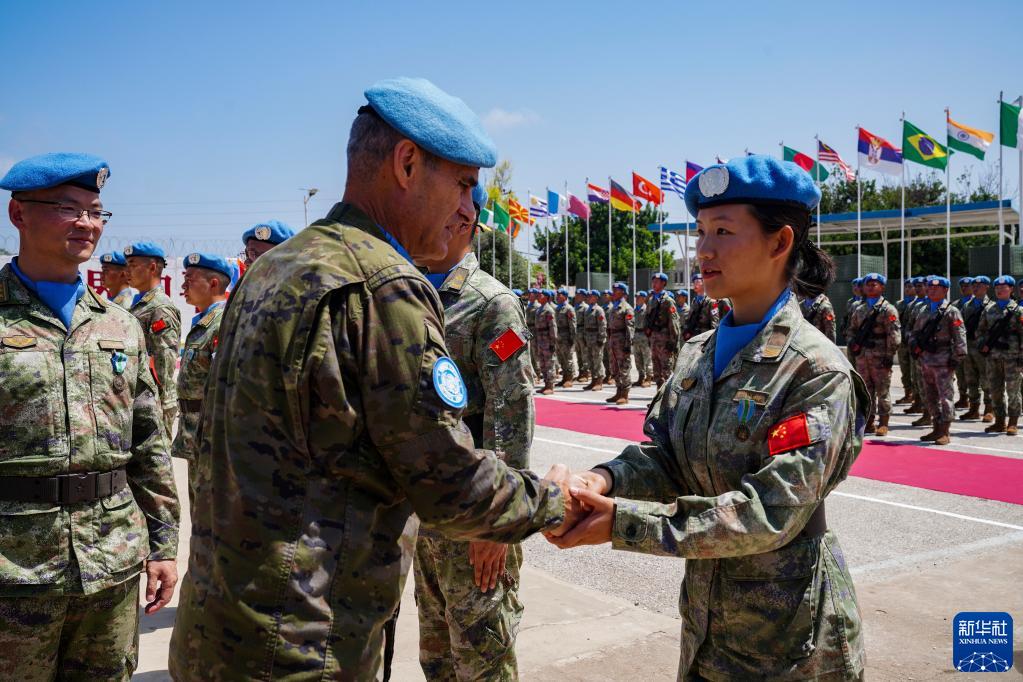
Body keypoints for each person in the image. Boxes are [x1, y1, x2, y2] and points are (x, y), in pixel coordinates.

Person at [168, 78, 580, 680]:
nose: (470, 210)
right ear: (407, 164)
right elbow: (446, 482)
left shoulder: (275, 266)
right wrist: (554, 500)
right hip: (303, 643)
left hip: (219, 627)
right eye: (463, 184)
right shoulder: (383, 284)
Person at [547, 156, 869, 679]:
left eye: (722, 231)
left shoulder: (815, 369)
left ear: (780, 242)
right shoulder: (699, 352)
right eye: (700, 232)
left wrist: (623, 523)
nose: (703, 250)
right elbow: (667, 460)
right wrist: (600, 480)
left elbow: (770, 512)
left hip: (790, 641)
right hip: (706, 625)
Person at [0, 153, 180, 680]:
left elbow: (148, 441)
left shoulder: (120, 325)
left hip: (111, 562)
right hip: (13, 570)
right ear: (18, 214)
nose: (86, 223)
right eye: (67, 208)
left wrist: (164, 544)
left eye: (96, 212)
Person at [414, 184, 534, 679]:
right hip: (425, 512)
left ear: (464, 220)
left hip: (474, 516)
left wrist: (499, 521)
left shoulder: (491, 304)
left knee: (482, 662)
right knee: (437, 657)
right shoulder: (411, 293)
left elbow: (511, 414)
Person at [172, 253, 230, 502]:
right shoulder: (204, 322)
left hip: (210, 435)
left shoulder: (222, 323)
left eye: (190, 279)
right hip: (195, 432)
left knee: (210, 507)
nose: (183, 285)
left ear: (213, 283)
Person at [124, 241, 181, 435]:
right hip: (141, 396)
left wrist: (160, 402)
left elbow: (164, 359)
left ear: (153, 267)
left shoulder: (160, 307)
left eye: (133, 265)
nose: (127, 270)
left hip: (154, 401)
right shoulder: (140, 305)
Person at [910, 276, 967, 444]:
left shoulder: (951, 311)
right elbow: (915, 332)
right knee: (930, 396)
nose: (932, 290)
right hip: (926, 360)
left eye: (937, 288)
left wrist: (957, 357)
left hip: (944, 361)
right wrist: (914, 345)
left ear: (945, 290)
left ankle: (945, 431)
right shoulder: (923, 310)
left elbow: (960, 336)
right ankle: (936, 428)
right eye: (930, 287)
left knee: (945, 397)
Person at [846, 272, 900, 436]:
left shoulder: (888, 309)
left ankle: (883, 422)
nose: (870, 287)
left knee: (882, 391)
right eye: (867, 284)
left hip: (880, 356)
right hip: (862, 356)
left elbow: (894, 335)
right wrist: (852, 343)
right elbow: (851, 330)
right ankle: (868, 422)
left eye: (874, 284)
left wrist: (889, 356)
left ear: (882, 287)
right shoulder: (859, 309)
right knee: (865, 391)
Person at [977, 275, 1022, 435]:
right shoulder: (989, 309)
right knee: (995, 390)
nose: (999, 290)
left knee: (1013, 391)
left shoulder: (1018, 310)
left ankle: (1013, 422)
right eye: (997, 288)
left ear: (1011, 289)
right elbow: (980, 331)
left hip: (1012, 357)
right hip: (993, 357)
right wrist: (983, 344)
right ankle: (1000, 422)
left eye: (1003, 288)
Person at [960, 275, 992, 422]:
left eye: (979, 285)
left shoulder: (992, 306)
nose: (975, 287)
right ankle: (973, 408)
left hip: (983, 348)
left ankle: (989, 408)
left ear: (987, 287)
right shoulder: (967, 305)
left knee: (986, 379)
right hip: (969, 346)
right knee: (970, 379)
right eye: (974, 285)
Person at [645, 273, 680, 388]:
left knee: (666, 368)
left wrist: (673, 342)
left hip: (665, 338)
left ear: (663, 283)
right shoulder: (651, 300)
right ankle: (659, 394)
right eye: (653, 281)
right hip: (654, 338)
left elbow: (673, 322)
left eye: (657, 282)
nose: (654, 284)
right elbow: (647, 318)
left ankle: (668, 396)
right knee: (656, 369)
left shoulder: (668, 301)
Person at [903, 277, 930, 417]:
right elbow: (908, 325)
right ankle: (919, 403)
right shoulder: (916, 306)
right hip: (917, 348)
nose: (918, 289)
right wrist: (911, 339)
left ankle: (929, 411)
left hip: (933, 350)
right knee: (916, 377)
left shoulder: (940, 306)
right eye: (917, 286)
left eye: (921, 286)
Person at [606, 281, 635, 405]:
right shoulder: (614, 306)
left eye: (616, 290)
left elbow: (630, 328)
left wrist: (628, 345)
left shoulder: (627, 308)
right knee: (615, 367)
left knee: (624, 367)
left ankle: (625, 394)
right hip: (613, 340)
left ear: (623, 292)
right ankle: (618, 391)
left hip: (622, 340)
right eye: (613, 289)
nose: (613, 292)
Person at [951, 277, 974, 408]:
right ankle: (963, 397)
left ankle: (974, 400)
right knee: (960, 372)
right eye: (962, 286)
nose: (964, 288)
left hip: (972, 344)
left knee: (973, 373)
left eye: (967, 286)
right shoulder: (955, 304)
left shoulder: (978, 303)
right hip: (958, 344)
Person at [894, 278, 917, 405]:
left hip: (914, 341)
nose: (908, 289)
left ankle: (916, 395)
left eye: (910, 286)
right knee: (905, 369)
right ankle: (908, 393)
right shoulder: (899, 304)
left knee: (915, 370)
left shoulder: (920, 303)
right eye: (906, 287)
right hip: (902, 341)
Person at [680, 271, 718, 341]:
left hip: (705, 337)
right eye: (694, 282)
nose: (695, 284)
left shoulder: (711, 301)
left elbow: (714, 322)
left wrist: (712, 340)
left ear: (704, 283)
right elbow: (690, 319)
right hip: (694, 336)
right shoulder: (694, 301)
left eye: (697, 282)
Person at [534, 289, 559, 394]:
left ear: (547, 297)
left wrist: (553, 342)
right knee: (543, 363)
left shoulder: (549, 310)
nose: (539, 296)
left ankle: (550, 386)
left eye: (541, 295)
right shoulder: (539, 310)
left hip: (547, 340)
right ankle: (546, 384)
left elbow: (553, 327)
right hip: (540, 339)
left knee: (549, 363)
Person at [582, 289, 607, 391]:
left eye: (590, 296)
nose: (588, 298)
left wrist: (601, 338)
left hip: (596, 338)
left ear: (596, 298)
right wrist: (584, 337)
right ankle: (593, 380)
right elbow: (585, 325)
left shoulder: (598, 310)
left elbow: (602, 325)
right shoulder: (588, 310)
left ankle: (599, 381)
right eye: (588, 296)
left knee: (597, 360)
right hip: (589, 338)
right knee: (590, 360)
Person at [554, 287, 577, 387]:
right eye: (557, 295)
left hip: (566, 336)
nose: (558, 297)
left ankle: (570, 378)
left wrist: (572, 338)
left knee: (568, 358)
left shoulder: (569, 308)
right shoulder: (557, 308)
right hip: (558, 336)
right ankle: (564, 377)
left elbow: (573, 324)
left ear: (565, 297)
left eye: (560, 295)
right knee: (561, 358)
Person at [632, 289, 652, 387]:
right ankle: (641, 377)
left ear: (644, 299)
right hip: (636, 336)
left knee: (647, 358)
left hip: (644, 336)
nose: (637, 299)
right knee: (637, 358)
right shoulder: (634, 310)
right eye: (636, 297)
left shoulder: (647, 310)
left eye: (639, 298)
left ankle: (649, 378)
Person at [573, 288, 591, 383]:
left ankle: (586, 373)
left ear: (584, 297)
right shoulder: (575, 307)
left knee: (585, 355)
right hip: (576, 333)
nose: (577, 297)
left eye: (579, 295)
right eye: (576, 295)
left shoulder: (585, 307)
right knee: (578, 354)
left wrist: (585, 336)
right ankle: (580, 372)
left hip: (583, 332)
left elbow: (587, 323)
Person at [842, 277, 864, 352]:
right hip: (851, 335)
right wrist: (844, 329)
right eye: (853, 286)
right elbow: (846, 316)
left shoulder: (866, 301)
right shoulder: (850, 302)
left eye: (857, 286)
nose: (855, 288)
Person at [525, 287, 542, 382]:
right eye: (529, 294)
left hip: (535, 330)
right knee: (529, 352)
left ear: (535, 296)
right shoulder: (528, 306)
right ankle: (532, 374)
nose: (529, 296)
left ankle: (538, 374)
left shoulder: (538, 306)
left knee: (536, 353)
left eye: (531, 294)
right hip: (527, 330)